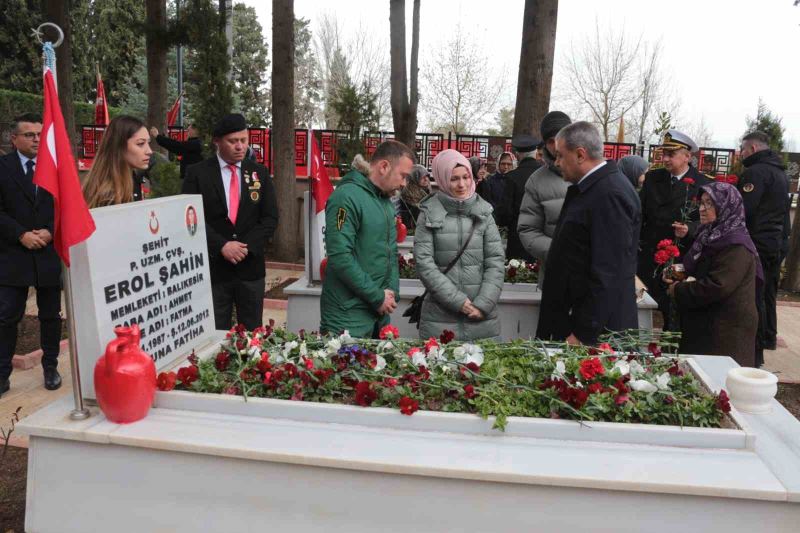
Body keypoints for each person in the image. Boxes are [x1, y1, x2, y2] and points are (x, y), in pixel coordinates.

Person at [537, 122, 641, 345]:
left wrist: (583, 333)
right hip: (575, 322)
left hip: (594, 333)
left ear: (580, 154)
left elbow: (608, 272)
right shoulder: (594, 187)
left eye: (560, 156)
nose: (556, 163)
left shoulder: (609, 194)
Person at [181, 113, 278, 331]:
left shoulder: (259, 173)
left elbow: (270, 217)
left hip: (250, 269)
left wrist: (245, 247)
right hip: (215, 270)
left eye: (243, 140)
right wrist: (222, 246)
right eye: (233, 141)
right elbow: (188, 218)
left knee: (253, 336)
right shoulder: (197, 174)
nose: (240, 147)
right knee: (214, 334)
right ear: (217, 141)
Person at [320, 141, 415, 338]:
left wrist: (391, 294)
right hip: (347, 316)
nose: (404, 183)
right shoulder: (346, 197)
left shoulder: (385, 202)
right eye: (403, 176)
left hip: (378, 314)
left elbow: (390, 253)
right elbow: (340, 256)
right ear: (384, 167)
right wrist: (377, 296)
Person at [0, 114, 62, 396]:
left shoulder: (54, 167)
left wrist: (50, 231)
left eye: (39, 134)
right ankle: (2, 374)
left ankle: (51, 367)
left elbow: (65, 206)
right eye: (29, 135)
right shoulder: (3, 167)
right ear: (14, 139)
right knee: (7, 316)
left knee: (50, 315)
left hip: (47, 251)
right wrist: (21, 234)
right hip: (14, 252)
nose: (36, 139)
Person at [666, 183, 760, 367]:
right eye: (701, 203)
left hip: (725, 328)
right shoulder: (710, 234)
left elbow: (718, 285)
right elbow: (700, 267)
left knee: (718, 382)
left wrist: (678, 290)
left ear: (726, 206)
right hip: (707, 321)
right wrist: (677, 274)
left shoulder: (735, 244)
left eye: (709, 204)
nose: (702, 209)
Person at [414, 150, 504, 341]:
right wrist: (458, 301)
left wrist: (483, 304)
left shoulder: (484, 212)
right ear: (443, 179)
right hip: (439, 318)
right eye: (454, 179)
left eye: (466, 177)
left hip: (482, 318)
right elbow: (424, 263)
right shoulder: (429, 212)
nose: (461, 184)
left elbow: (495, 261)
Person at [637, 129, 713, 330]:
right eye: (664, 154)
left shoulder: (704, 183)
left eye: (671, 154)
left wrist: (690, 229)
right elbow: (639, 215)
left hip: (681, 258)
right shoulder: (653, 178)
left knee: (674, 314)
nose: (665, 159)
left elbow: (711, 222)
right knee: (644, 312)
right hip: (650, 257)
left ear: (687, 156)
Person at [738, 131, 789, 357]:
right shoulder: (780, 173)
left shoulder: (755, 173)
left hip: (756, 242)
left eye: (743, 149)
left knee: (754, 295)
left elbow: (744, 211)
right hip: (775, 242)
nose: (741, 154)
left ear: (753, 149)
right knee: (768, 293)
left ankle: (755, 347)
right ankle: (768, 337)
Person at [517, 111, 572, 283]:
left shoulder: (590, 174)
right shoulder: (536, 181)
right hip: (555, 275)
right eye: (550, 140)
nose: (556, 146)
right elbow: (528, 230)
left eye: (560, 137)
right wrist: (559, 251)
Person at [83, 115, 153, 208]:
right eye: (140, 143)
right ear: (119, 147)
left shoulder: (129, 180)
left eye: (148, 142)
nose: (149, 151)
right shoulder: (109, 196)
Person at [497, 134, 542, 261]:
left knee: (518, 275)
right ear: (535, 153)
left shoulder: (512, 177)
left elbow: (505, 213)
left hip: (518, 238)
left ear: (518, 155)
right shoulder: (545, 174)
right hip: (542, 237)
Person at [398, 164, 431, 230]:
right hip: (413, 227)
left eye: (427, 176)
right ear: (414, 178)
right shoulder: (409, 192)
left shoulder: (425, 189)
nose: (426, 179)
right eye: (422, 177)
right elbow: (419, 211)